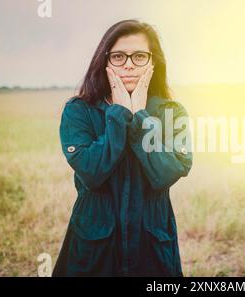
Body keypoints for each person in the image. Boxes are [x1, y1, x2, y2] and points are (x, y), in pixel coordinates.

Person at [52, 19, 192, 276]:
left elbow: (168, 173)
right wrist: (119, 114)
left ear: (153, 62)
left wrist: (139, 117)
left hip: (151, 243)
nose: (128, 64)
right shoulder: (79, 110)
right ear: (104, 62)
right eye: (118, 56)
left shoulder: (171, 112)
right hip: (94, 245)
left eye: (139, 56)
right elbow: (91, 172)